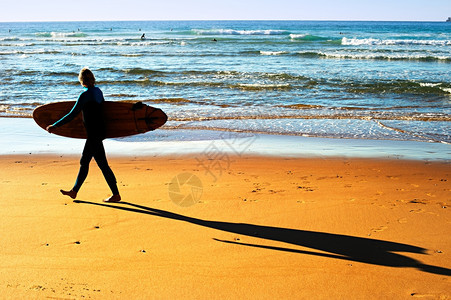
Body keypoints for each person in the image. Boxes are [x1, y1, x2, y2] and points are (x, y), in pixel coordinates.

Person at [46, 68, 121, 203]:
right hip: (100, 132)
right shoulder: (98, 91)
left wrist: (55, 125)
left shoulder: (84, 95)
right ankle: (115, 194)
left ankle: (74, 191)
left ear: (81, 80)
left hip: (93, 134)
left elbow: (72, 114)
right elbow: (104, 110)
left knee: (84, 162)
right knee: (102, 164)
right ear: (92, 78)